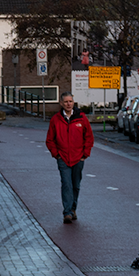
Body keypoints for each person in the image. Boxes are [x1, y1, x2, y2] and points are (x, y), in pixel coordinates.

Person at [45, 91, 94, 225]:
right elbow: (50, 140)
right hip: (63, 158)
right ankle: (67, 212)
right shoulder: (56, 119)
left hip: (78, 158)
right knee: (66, 184)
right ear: (61, 103)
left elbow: (89, 137)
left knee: (76, 185)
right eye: (66, 101)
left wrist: (85, 154)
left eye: (70, 101)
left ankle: (73, 209)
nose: (68, 104)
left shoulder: (81, 118)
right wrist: (57, 155)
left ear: (73, 102)